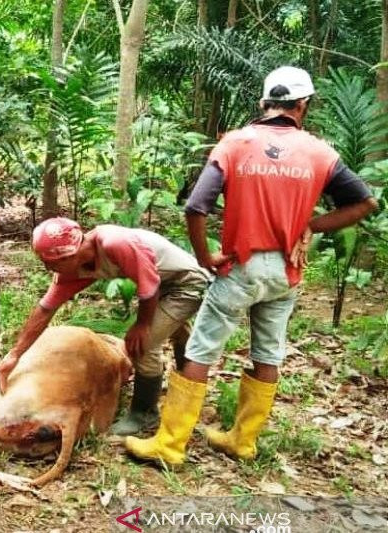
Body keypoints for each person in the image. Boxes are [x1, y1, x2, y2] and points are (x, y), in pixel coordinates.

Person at [125, 66, 377, 465]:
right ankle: (243, 441)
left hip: (241, 266)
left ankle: (169, 445)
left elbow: (196, 205)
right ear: (302, 105)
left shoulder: (236, 144)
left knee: (202, 350)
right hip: (286, 272)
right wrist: (310, 225)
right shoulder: (319, 152)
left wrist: (205, 257)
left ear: (264, 103)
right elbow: (366, 203)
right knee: (268, 353)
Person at [0, 217, 211, 436]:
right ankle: (188, 387)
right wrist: (15, 354)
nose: (47, 268)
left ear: (70, 255)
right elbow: (46, 309)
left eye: (51, 263)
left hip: (186, 283)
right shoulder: (77, 267)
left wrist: (142, 325)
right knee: (176, 334)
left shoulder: (114, 243)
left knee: (142, 345)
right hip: (161, 283)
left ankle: (144, 413)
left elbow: (149, 286)